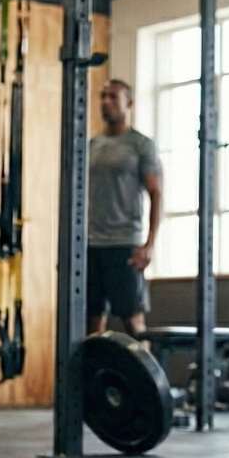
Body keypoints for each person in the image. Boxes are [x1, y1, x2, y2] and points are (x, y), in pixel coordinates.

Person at [87, 79, 162, 340]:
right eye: (103, 96)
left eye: (113, 97)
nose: (105, 102)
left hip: (124, 245)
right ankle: (94, 380)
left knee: (134, 325)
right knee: (93, 326)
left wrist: (149, 244)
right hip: (91, 245)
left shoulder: (140, 145)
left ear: (128, 103)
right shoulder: (91, 146)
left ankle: (149, 382)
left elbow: (156, 193)